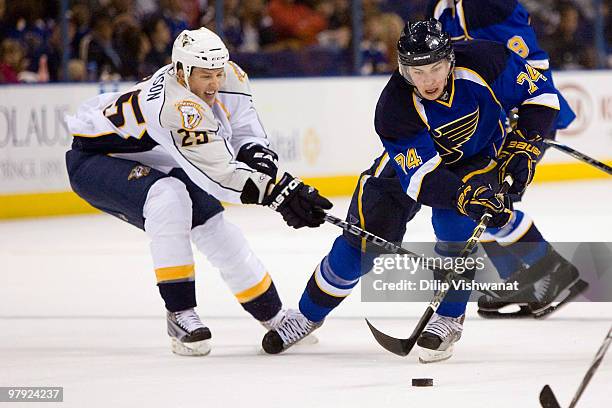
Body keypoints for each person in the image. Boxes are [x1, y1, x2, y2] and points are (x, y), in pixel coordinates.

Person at [261, 20, 587, 363]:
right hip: (411, 170)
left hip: (476, 157)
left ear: (450, 60)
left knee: (456, 232)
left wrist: (524, 146)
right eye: (417, 71)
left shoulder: (487, 60)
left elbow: (542, 96)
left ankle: (448, 318)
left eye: (435, 68)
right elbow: (421, 179)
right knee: (362, 243)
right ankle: (307, 315)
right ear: (404, 69)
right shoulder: (394, 108)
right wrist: (463, 195)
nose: (428, 80)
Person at [65, 27, 332, 356]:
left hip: (158, 156)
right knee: (168, 198)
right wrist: (280, 193)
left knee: (213, 225)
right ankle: (179, 313)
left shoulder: (230, 74)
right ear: (181, 71)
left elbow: (246, 133)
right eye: (205, 76)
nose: (215, 84)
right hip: (95, 161)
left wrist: (276, 176)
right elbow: (219, 176)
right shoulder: (173, 107)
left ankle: (275, 316)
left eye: (218, 73)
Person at [427, 0, 580, 318]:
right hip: (489, 118)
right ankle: (524, 278)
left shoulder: (487, 6)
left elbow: (525, 69)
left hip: (520, 115)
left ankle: (551, 272)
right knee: (480, 201)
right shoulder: (444, 7)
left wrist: (523, 130)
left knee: (486, 197)